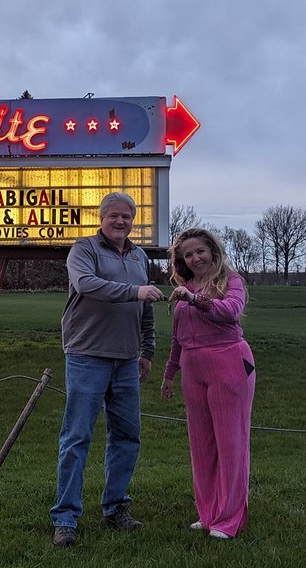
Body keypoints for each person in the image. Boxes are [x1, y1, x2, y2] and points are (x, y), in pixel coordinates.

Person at [50, 192, 164, 547]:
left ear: (133, 221)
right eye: (114, 216)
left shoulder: (138, 255)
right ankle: (65, 516)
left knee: (128, 437)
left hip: (127, 359)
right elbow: (87, 285)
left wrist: (147, 349)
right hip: (87, 355)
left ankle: (116, 507)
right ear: (102, 218)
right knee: (77, 437)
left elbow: (145, 309)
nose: (120, 222)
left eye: (126, 217)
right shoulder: (84, 249)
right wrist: (135, 291)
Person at [160, 227, 256, 540]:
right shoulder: (185, 287)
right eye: (188, 254)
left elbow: (231, 312)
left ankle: (229, 519)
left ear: (212, 251)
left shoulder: (231, 280)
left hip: (230, 363)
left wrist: (195, 299)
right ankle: (209, 513)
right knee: (202, 445)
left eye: (200, 251)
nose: (195, 258)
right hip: (192, 367)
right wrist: (169, 373)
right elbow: (178, 337)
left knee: (231, 443)